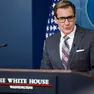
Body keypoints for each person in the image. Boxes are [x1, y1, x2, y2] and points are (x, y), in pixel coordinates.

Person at [40, 0, 94, 74]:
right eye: (62, 19)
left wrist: (75, 80)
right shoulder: (50, 41)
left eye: (70, 18)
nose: (67, 23)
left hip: (84, 85)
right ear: (55, 19)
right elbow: (45, 72)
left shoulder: (91, 37)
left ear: (75, 17)